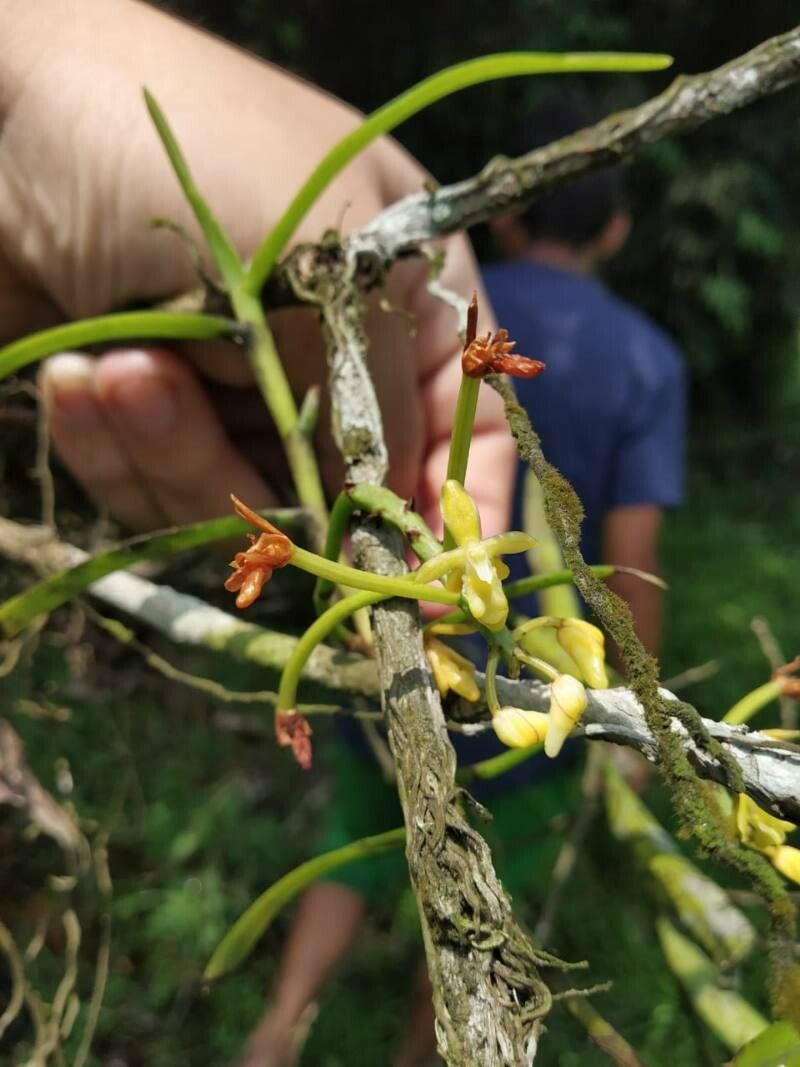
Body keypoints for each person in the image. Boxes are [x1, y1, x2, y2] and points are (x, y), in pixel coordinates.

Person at [240, 106, 687, 1067]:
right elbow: (630, 551)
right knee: (482, 885)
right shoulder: (648, 360)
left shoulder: (445, 300)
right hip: (523, 693)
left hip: (393, 627)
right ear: (614, 230)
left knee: (358, 820)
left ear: (512, 222)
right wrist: (638, 711)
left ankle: (276, 1032)